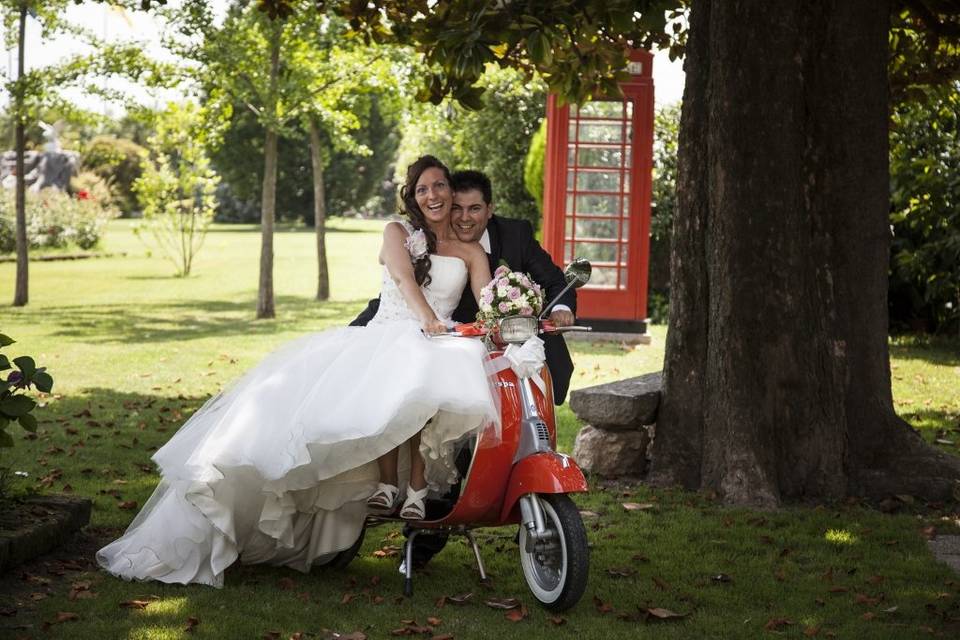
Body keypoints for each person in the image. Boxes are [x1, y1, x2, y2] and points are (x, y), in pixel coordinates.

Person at [96, 155, 498, 587]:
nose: (433, 195)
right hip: (394, 331)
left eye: (439, 186)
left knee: (430, 374)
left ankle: (416, 488)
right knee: (400, 374)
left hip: (436, 337)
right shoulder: (396, 232)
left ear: (451, 192)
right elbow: (403, 280)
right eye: (422, 189)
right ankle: (388, 484)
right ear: (411, 197)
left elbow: (487, 297)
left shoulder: (470, 251)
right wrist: (427, 321)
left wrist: (510, 312)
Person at [353, 169, 577, 404]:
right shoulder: (411, 235)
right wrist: (361, 334)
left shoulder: (515, 234)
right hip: (440, 331)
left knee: (550, 380)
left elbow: (553, 280)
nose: (464, 218)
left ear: (489, 209)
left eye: (475, 208)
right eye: (457, 208)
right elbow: (402, 286)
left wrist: (560, 308)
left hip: (497, 330)